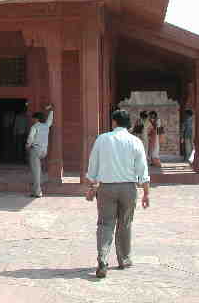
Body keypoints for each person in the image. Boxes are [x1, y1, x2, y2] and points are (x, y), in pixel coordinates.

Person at [86, 109, 150, 278]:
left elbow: (93, 166)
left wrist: (92, 186)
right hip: (128, 188)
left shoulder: (102, 139)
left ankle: (103, 258)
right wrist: (146, 193)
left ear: (114, 122)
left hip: (106, 188)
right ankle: (124, 259)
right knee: (125, 223)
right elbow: (142, 170)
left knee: (105, 224)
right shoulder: (135, 141)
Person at [25, 104, 54, 198]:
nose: (33, 120)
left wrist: (28, 145)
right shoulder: (46, 126)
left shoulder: (34, 127)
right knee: (38, 170)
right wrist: (52, 111)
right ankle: (36, 190)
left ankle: (37, 192)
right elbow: (50, 120)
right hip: (44, 151)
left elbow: (30, 138)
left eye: (34, 118)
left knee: (36, 171)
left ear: (36, 119)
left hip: (36, 150)